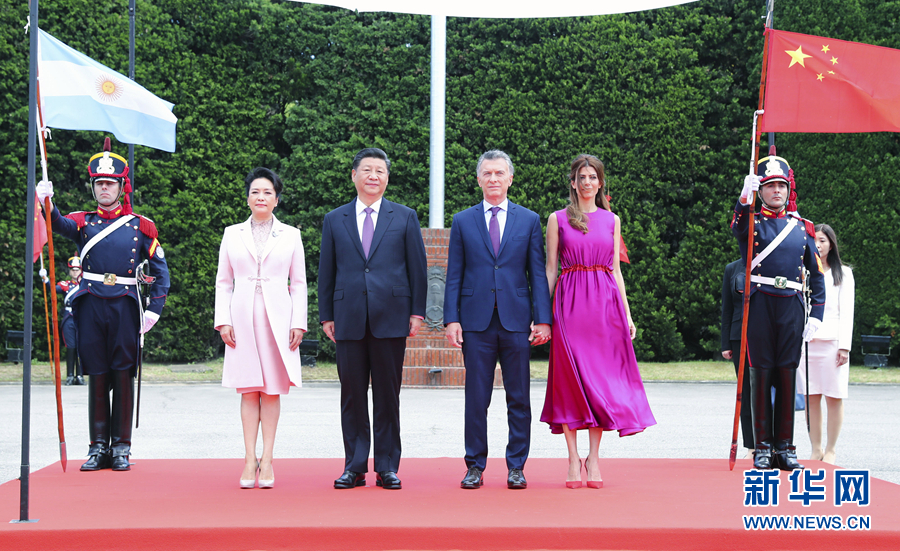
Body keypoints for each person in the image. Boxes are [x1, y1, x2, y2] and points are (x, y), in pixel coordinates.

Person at [35, 137, 170, 472]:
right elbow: (57, 224)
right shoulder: (82, 222)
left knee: (122, 376)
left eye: (110, 183)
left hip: (125, 307)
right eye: (99, 184)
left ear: (122, 187)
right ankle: (97, 447)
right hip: (92, 306)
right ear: (93, 187)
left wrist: (153, 311)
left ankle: (121, 448)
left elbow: (161, 271)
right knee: (96, 375)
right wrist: (47, 202)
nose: (104, 189)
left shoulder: (141, 226)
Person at [539, 154, 656, 489]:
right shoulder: (557, 219)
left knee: (599, 383)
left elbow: (616, 271)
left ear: (600, 182)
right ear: (573, 183)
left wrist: (627, 313)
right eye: (582, 177)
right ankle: (572, 458)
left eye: (593, 177)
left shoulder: (612, 220)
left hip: (605, 307)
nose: (587, 182)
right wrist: (541, 314)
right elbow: (550, 269)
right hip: (569, 305)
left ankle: (593, 457)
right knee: (569, 380)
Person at [318, 148, 427, 490]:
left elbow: (417, 269)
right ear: (354, 175)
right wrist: (326, 315)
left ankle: (387, 466)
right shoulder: (335, 219)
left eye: (380, 171)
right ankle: (354, 466)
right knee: (351, 395)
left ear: (387, 178)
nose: (373, 176)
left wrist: (417, 311)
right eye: (367, 170)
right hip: (347, 317)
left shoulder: (404, 217)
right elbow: (326, 271)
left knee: (387, 395)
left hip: (391, 317)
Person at [444, 150, 552, 490]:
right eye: (487, 173)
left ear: (510, 179)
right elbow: (454, 274)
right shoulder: (463, 220)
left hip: (517, 321)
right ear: (479, 179)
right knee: (476, 399)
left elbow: (537, 273)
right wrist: (451, 319)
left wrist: (543, 318)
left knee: (519, 397)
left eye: (499, 173)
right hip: (475, 323)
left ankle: (516, 466)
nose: (493, 178)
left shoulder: (528, 220)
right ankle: (474, 466)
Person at [214, 167, 307, 489]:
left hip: (278, 320)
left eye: (267, 192)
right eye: (255, 192)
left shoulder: (291, 235)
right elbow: (223, 282)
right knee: (248, 388)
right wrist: (223, 320)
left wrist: (298, 323)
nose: (261, 197)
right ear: (247, 198)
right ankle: (248, 458)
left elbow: (299, 283)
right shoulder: (232, 233)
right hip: (241, 318)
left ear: (276, 199)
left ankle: (267, 458)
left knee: (271, 388)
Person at [733, 153, 825, 471]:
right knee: (760, 375)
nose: (776, 191)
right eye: (770, 186)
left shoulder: (802, 228)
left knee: (786, 375)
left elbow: (817, 275)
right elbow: (737, 228)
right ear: (761, 190)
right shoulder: (752, 223)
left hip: (791, 306)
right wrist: (743, 199)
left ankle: (785, 447)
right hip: (760, 304)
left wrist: (817, 315)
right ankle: (762, 447)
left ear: (789, 189)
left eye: (781, 186)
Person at [797, 224, 854, 465]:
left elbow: (847, 311)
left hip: (832, 343)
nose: (818, 245)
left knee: (833, 396)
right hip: (806, 343)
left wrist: (844, 346)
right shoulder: (801, 271)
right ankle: (816, 449)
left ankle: (831, 450)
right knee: (811, 398)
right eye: (814, 241)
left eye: (822, 240)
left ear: (831, 244)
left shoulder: (843, 274)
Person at [721, 259, 753, 457]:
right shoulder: (732, 269)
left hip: (767, 336)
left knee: (767, 392)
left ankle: (771, 444)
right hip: (739, 336)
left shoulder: (773, 263)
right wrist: (725, 343)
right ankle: (752, 446)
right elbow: (727, 308)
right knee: (746, 392)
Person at [41, 256, 85, 385]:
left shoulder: (85, 284)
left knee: (81, 347)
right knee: (70, 346)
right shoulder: (65, 285)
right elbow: (53, 290)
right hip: (69, 317)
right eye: (73, 270)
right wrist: (45, 279)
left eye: (77, 269)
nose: (75, 272)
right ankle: (70, 376)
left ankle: (80, 375)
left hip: (82, 318)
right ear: (69, 271)